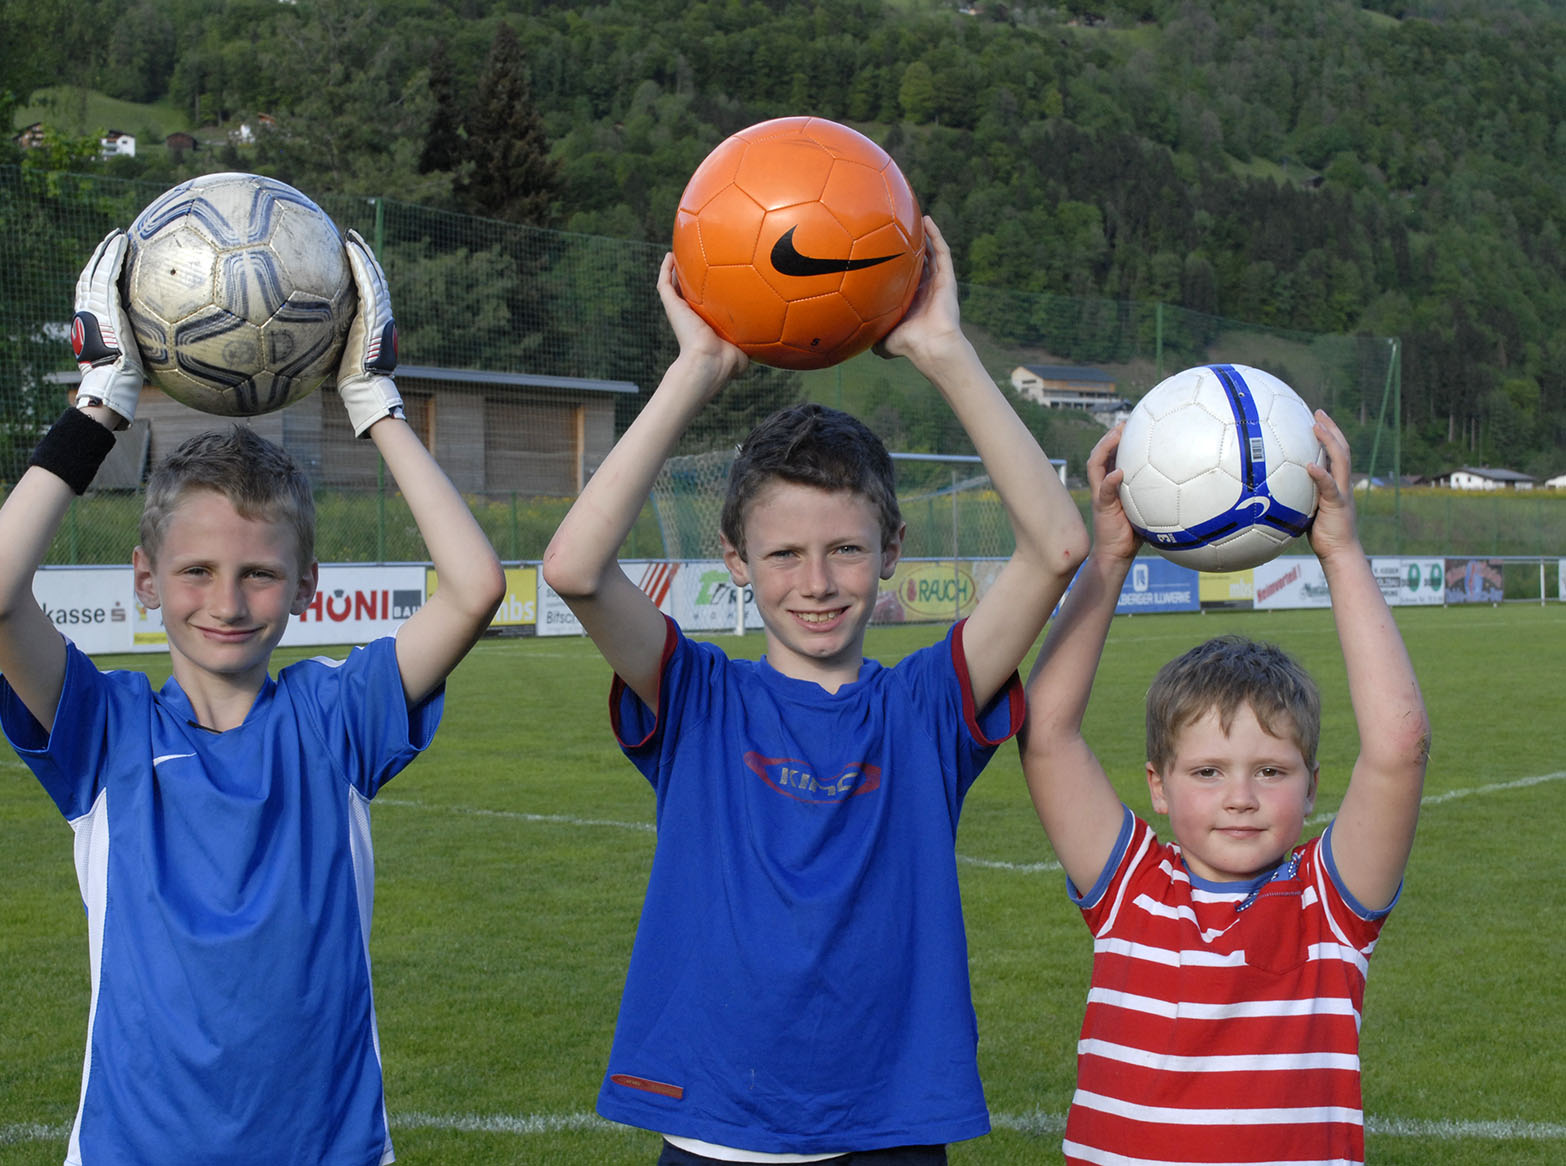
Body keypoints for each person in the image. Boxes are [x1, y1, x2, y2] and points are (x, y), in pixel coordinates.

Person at [542, 218, 1090, 1164]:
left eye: (846, 549)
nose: (819, 583)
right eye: (784, 555)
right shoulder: (700, 701)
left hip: (889, 1128)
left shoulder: (924, 710)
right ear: (735, 561)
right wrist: (695, 369)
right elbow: (575, 569)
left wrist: (944, 350)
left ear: (893, 550)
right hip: (718, 1125)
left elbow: (1058, 547)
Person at [0, 228, 505, 1165]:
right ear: (145, 579)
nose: (226, 602)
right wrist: (101, 404)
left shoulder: (334, 720)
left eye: (259, 573)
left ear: (306, 586)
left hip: (325, 1148)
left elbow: (475, 588)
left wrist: (373, 402)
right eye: (196, 571)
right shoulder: (106, 732)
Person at [1016, 416, 1430, 1164]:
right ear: (1159, 786)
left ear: (1312, 788)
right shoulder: (1132, 889)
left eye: (1271, 771)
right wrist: (1109, 557)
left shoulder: (1327, 908)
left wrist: (1340, 552)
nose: (1241, 796)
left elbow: (1400, 748)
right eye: (1207, 772)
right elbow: (1044, 732)